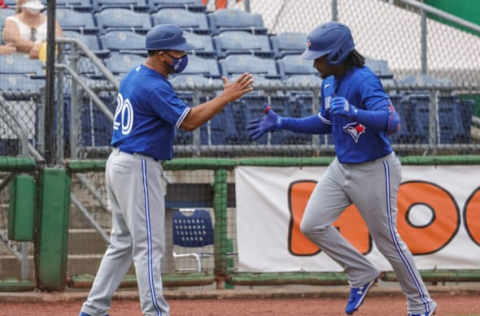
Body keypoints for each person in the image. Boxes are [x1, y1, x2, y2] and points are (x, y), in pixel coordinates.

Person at [247, 22, 437, 316]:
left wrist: (355, 112)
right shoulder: (328, 80)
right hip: (342, 166)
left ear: (337, 55)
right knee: (312, 224)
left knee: (388, 241)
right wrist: (283, 123)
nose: (314, 63)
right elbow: (326, 121)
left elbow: (393, 122)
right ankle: (361, 272)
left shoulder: (364, 80)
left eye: (319, 57)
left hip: (375, 169)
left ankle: (421, 304)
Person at [79, 24, 253, 316]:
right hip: (138, 165)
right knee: (148, 245)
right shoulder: (153, 85)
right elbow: (189, 121)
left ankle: (93, 309)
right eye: (177, 52)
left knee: (122, 242)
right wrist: (226, 97)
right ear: (161, 54)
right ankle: (155, 312)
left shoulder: (135, 75)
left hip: (121, 161)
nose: (182, 56)